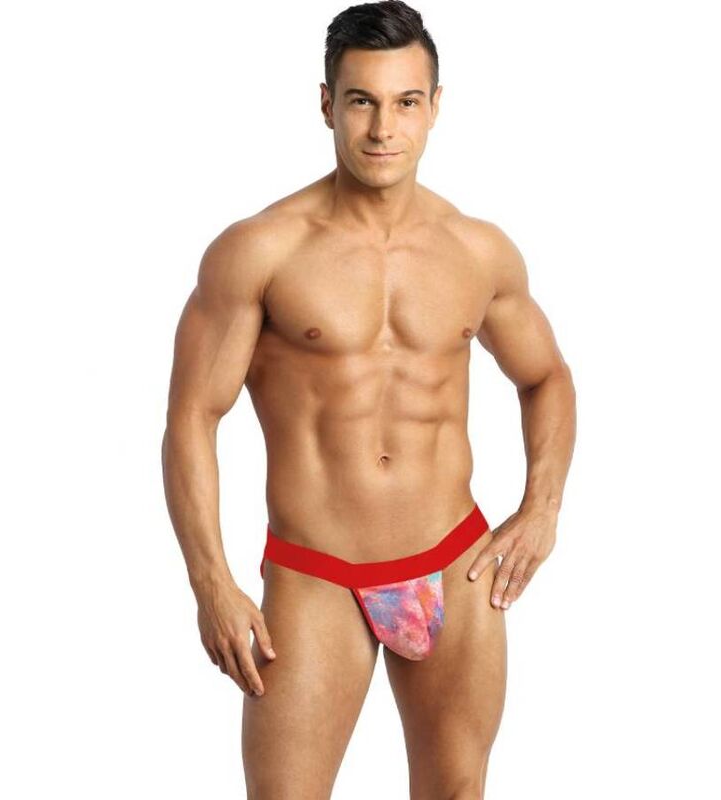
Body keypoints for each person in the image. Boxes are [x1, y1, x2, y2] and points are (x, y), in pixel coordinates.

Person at [161, 1, 577, 797]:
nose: (384, 127)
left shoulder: (478, 250)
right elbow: (192, 417)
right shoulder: (260, 250)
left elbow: (546, 376)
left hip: (454, 562)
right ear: (327, 105)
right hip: (316, 575)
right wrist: (210, 580)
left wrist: (543, 507)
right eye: (362, 101)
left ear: (435, 107)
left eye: (406, 102)